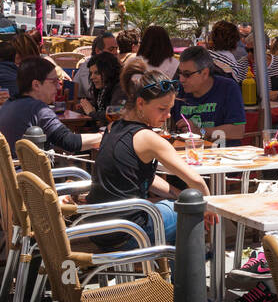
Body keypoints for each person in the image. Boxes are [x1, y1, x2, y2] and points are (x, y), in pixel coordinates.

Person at [86, 60, 211, 249]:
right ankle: (186, 277)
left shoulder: (113, 127)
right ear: (140, 103)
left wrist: (178, 195)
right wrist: (208, 210)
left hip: (99, 229)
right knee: (191, 211)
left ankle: (168, 267)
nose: (168, 115)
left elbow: (144, 178)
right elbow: (198, 183)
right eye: (162, 109)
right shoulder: (147, 138)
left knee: (181, 203)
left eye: (170, 109)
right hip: (128, 232)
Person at [0, 56, 102, 154]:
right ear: (36, 85)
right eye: (54, 82)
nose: (59, 87)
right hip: (29, 174)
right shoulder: (37, 109)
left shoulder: (10, 103)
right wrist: (104, 136)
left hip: (13, 172)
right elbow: (70, 142)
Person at [172, 45, 245, 142]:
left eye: (187, 74)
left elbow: (238, 131)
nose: (181, 79)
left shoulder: (228, 88)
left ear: (205, 73)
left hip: (222, 154)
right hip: (189, 153)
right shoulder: (178, 90)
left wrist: (201, 132)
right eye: (179, 73)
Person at [75, 50, 124, 128]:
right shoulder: (105, 87)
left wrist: (91, 113)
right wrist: (85, 106)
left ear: (109, 72)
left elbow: (115, 114)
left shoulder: (121, 88)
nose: (92, 77)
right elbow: (100, 105)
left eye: (97, 73)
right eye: (91, 73)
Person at [73, 30, 120, 107]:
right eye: (111, 49)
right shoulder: (88, 66)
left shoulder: (112, 66)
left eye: (116, 49)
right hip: (83, 110)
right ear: (98, 51)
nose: (116, 53)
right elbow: (92, 92)